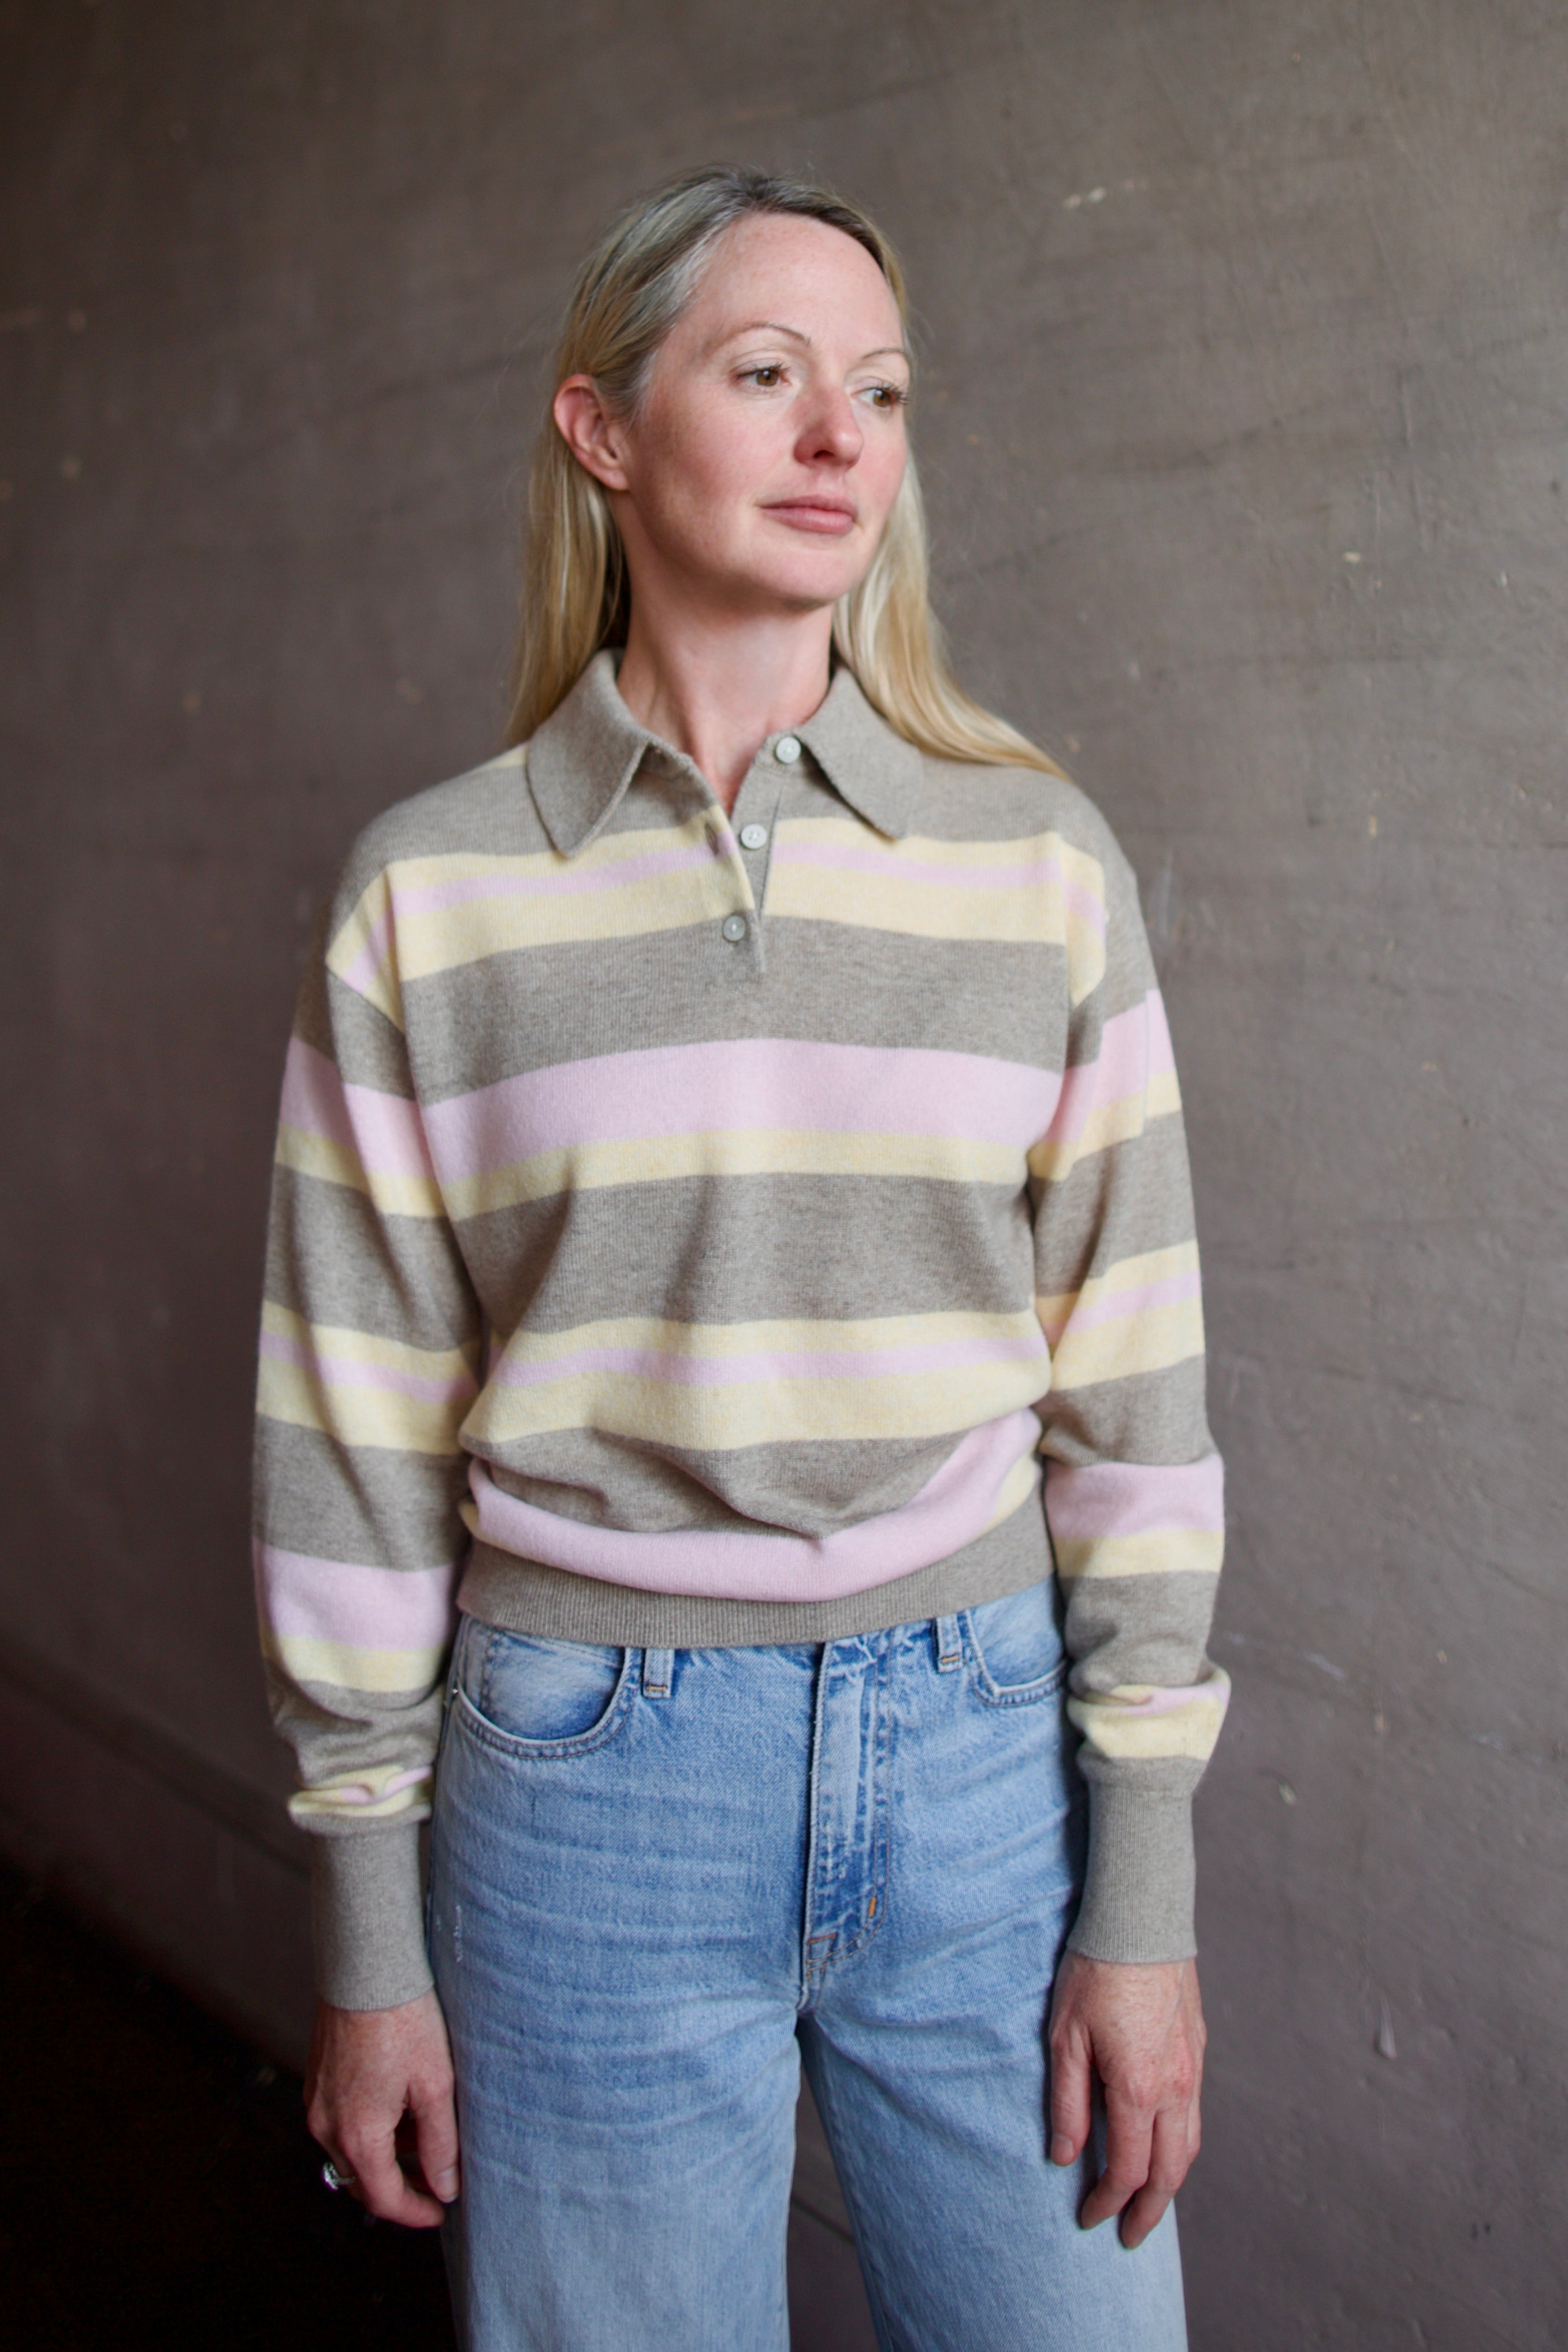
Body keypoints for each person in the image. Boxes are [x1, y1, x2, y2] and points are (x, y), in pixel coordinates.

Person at [253, 165, 1228, 2351]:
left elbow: (1137, 1402)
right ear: (602, 431)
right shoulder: (429, 898)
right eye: (766, 373)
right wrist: (368, 1937)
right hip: (582, 1786)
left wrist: (1140, 1892)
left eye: (875, 391)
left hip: (986, 1757)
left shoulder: (1035, 866)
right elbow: (348, 1431)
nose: (837, 438)